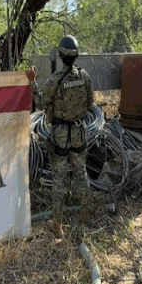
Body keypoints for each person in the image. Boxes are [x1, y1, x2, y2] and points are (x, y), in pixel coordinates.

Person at [27, 35, 94, 236]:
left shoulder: (56, 79)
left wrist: (32, 82)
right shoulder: (85, 77)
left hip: (60, 136)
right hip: (79, 133)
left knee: (59, 178)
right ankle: (85, 216)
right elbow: (90, 103)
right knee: (81, 173)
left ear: (60, 55)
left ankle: (57, 223)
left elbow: (40, 103)